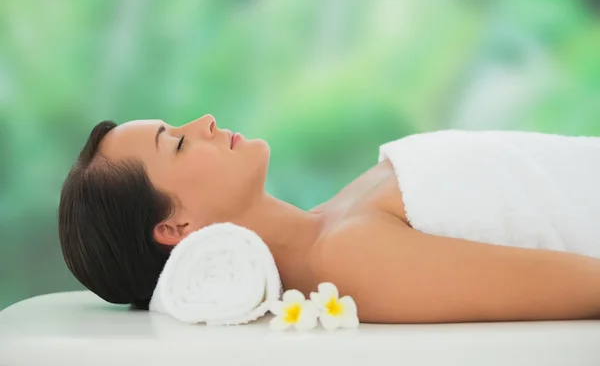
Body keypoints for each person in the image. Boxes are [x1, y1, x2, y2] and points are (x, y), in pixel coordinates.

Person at [58, 114, 600, 323]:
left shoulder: (337, 216)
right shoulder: (349, 258)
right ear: (175, 229)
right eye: (175, 143)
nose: (203, 121)